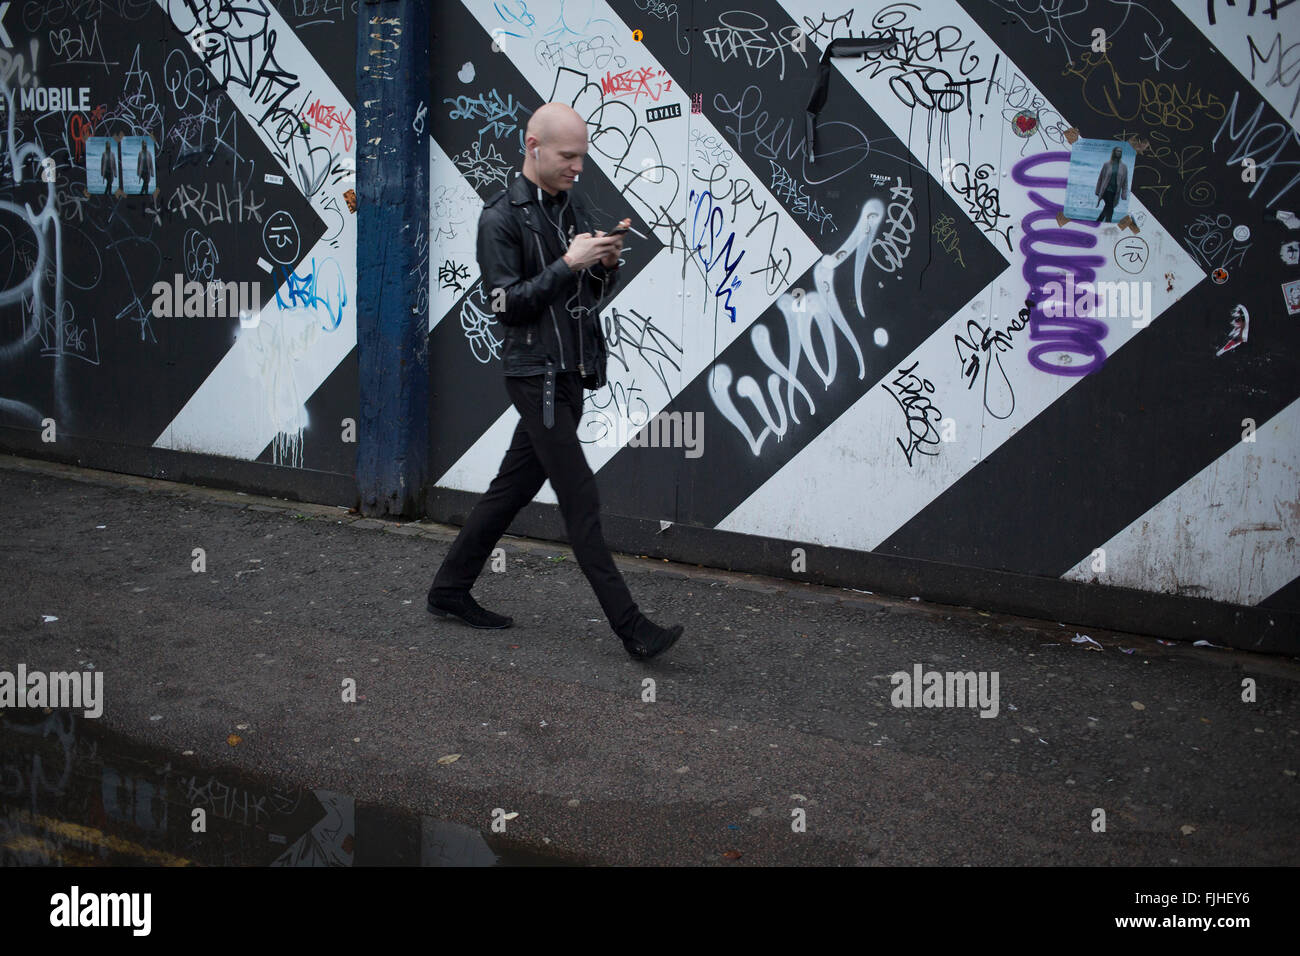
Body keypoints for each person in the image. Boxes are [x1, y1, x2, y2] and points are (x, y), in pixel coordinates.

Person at [427, 103, 684, 661]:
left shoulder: (573, 205)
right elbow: (506, 306)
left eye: (583, 156)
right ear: (533, 146)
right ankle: (632, 628)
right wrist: (569, 263)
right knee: (581, 499)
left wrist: (605, 265)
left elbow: (584, 301)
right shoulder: (499, 218)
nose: (577, 168)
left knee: (511, 490)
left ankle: (448, 590)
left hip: (571, 371)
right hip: (534, 376)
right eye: (568, 156)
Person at [1094, 146, 1128, 223]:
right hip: (1106, 190)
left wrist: (1124, 193)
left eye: (1120, 151)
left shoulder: (1124, 167)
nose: (1119, 153)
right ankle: (1108, 222)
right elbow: (1100, 178)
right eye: (1117, 151)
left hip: (1115, 192)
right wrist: (1097, 190)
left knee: (1108, 207)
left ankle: (1098, 221)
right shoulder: (1106, 164)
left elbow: (1125, 182)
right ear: (1114, 152)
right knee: (1110, 207)